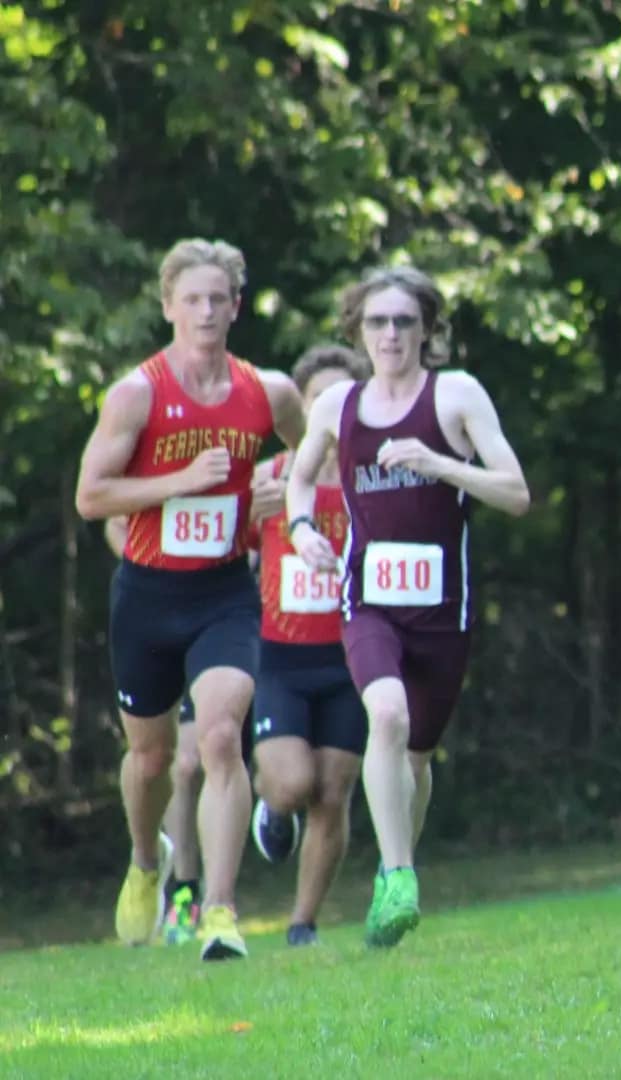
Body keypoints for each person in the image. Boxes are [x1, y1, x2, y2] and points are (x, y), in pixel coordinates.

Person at [75, 238, 306, 960]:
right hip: (147, 595)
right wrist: (179, 481)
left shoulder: (268, 392)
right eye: (192, 299)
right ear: (168, 305)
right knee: (149, 763)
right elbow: (91, 497)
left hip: (225, 592)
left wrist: (277, 493)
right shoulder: (136, 394)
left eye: (219, 299)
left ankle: (220, 911)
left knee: (218, 737)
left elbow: (313, 452)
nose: (206, 312)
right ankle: (147, 860)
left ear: (236, 307)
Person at [286, 266, 529, 948]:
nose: (390, 334)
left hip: (441, 613)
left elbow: (516, 493)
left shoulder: (456, 396)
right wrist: (303, 532)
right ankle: (396, 877)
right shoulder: (338, 408)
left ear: (426, 329)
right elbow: (300, 481)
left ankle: (397, 875)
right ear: (358, 332)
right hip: (368, 602)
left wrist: (441, 463)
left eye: (402, 321)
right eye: (376, 322)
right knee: (384, 716)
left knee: (416, 760)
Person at [242, 345, 371, 946]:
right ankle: (270, 803)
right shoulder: (271, 476)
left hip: (351, 655)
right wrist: (249, 512)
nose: (331, 410)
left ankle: (303, 922)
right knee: (294, 785)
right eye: (319, 398)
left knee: (333, 790)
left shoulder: (372, 477)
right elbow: (227, 545)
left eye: (344, 398)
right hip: (282, 657)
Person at [103, 515, 206, 947]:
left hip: (215, 611)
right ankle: (146, 857)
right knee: (150, 759)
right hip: (149, 610)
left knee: (190, 763)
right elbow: (111, 520)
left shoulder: (247, 454)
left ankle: (192, 892)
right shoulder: (141, 450)